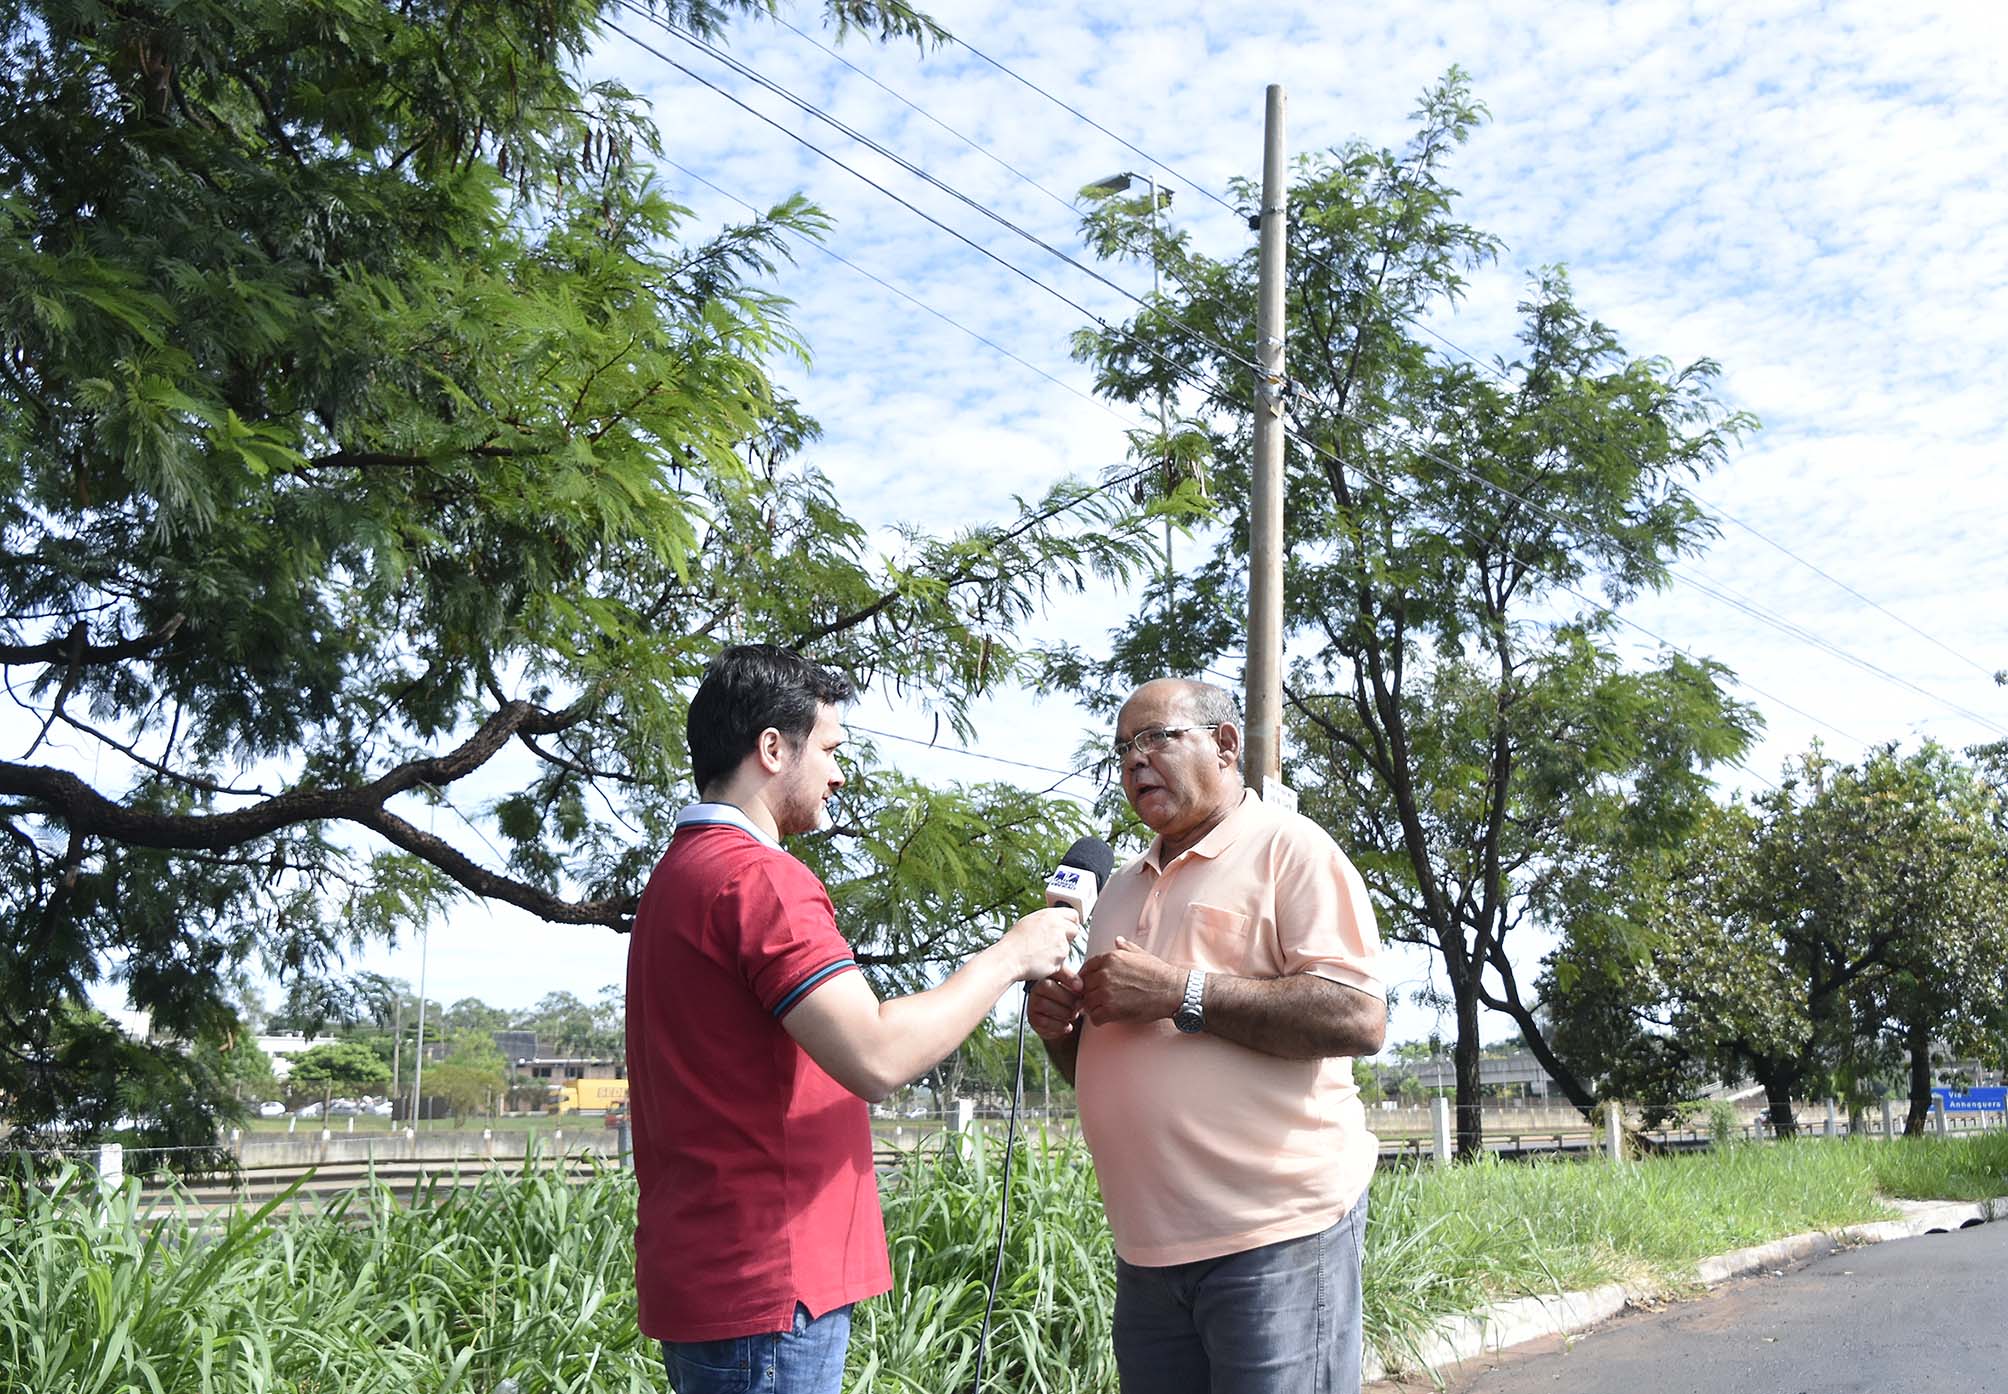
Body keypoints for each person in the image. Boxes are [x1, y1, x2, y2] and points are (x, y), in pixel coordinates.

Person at [627, 644, 1078, 1394]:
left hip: (715, 1276)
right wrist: (1009, 956)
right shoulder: (759, 879)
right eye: (831, 750)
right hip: (770, 1283)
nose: (839, 773)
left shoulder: (679, 873)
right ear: (773, 749)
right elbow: (874, 1054)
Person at [1028, 677, 1388, 1394]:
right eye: (1123, 748)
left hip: (1275, 1237)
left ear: (1226, 746)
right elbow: (1107, 1071)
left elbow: (1356, 1016)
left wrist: (1178, 990)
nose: (1135, 761)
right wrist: (1061, 1032)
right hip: (1148, 1254)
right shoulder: (1119, 888)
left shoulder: (1291, 851)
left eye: (1156, 737)